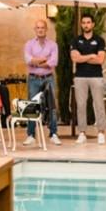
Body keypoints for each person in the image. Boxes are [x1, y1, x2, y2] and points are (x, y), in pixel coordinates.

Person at [70, 14, 106, 145]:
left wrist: (83, 57)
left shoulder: (100, 40)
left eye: (88, 22)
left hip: (96, 77)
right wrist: (92, 55)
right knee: (81, 106)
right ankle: (82, 133)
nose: (86, 25)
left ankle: (101, 132)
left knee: (99, 105)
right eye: (84, 22)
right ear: (81, 25)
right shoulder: (76, 40)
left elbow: (100, 60)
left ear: (93, 24)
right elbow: (75, 58)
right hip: (80, 77)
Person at [23, 18, 61, 147]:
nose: (40, 30)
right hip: (33, 79)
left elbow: (53, 62)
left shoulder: (53, 45)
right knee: (32, 106)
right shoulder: (29, 44)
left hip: (48, 78)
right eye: (38, 28)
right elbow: (28, 60)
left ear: (46, 29)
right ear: (35, 30)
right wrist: (44, 60)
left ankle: (53, 134)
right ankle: (31, 135)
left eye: (42, 28)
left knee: (51, 106)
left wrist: (36, 61)